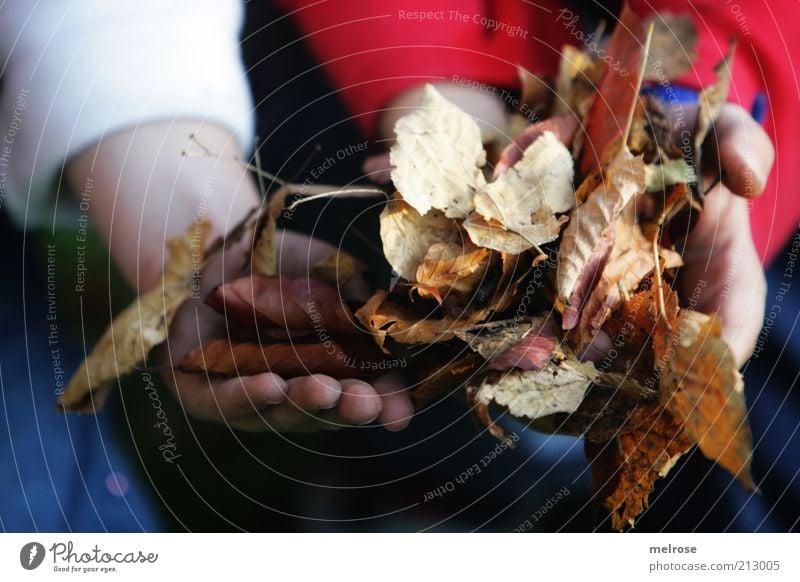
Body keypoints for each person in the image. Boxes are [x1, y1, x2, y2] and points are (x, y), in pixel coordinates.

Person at [0, 0, 794, 531]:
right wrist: (188, 218)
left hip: (674, 90)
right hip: (340, 58)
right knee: (399, 367)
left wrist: (662, 120)